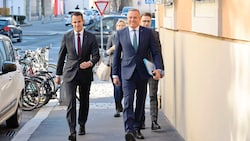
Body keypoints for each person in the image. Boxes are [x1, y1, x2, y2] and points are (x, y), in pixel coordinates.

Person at [112, 9, 164, 141]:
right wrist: (115, 74)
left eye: (135, 18)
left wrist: (159, 68)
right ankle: (129, 130)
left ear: (139, 18)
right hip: (126, 73)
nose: (132, 20)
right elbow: (117, 56)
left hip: (142, 73)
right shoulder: (120, 33)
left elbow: (156, 52)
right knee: (128, 101)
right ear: (127, 18)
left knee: (140, 102)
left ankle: (137, 128)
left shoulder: (148, 33)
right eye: (130, 18)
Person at [55, 12, 100, 141]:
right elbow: (61, 56)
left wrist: (90, 63)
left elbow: (96, 55)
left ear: (83, 21)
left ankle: (82, 124)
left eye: (79, 21)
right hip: (70, 74)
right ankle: (72, 130)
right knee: (71, 103)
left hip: (85, 74)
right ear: (71, 22)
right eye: (74, 22)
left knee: (84, 101)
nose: (77, 24)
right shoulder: (67, 36)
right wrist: (58, 74)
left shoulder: (91, 37)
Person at [140, 12, 165, 130]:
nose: (146, 23)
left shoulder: (155, 34)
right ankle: (141, 121)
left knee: (152, 95)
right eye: (144, 21)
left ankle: (154, 121)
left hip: (153, 69)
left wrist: (161, 69)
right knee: (140, 96)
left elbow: (158, 53)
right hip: (139, 70)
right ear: (140, 21)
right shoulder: (136, 34)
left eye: (148, 21)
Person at [106, 19, 127, 118]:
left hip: (125, 65)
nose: (121, 27)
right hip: (114, 66)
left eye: (123, 25)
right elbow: (106, 52)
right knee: (117, 87)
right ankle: (118, 107)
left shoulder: (128, 36)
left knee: (124, 87)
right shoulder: (112, 37)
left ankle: (121, 104)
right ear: (116, 27)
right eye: (119, 25)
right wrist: (113, 48)